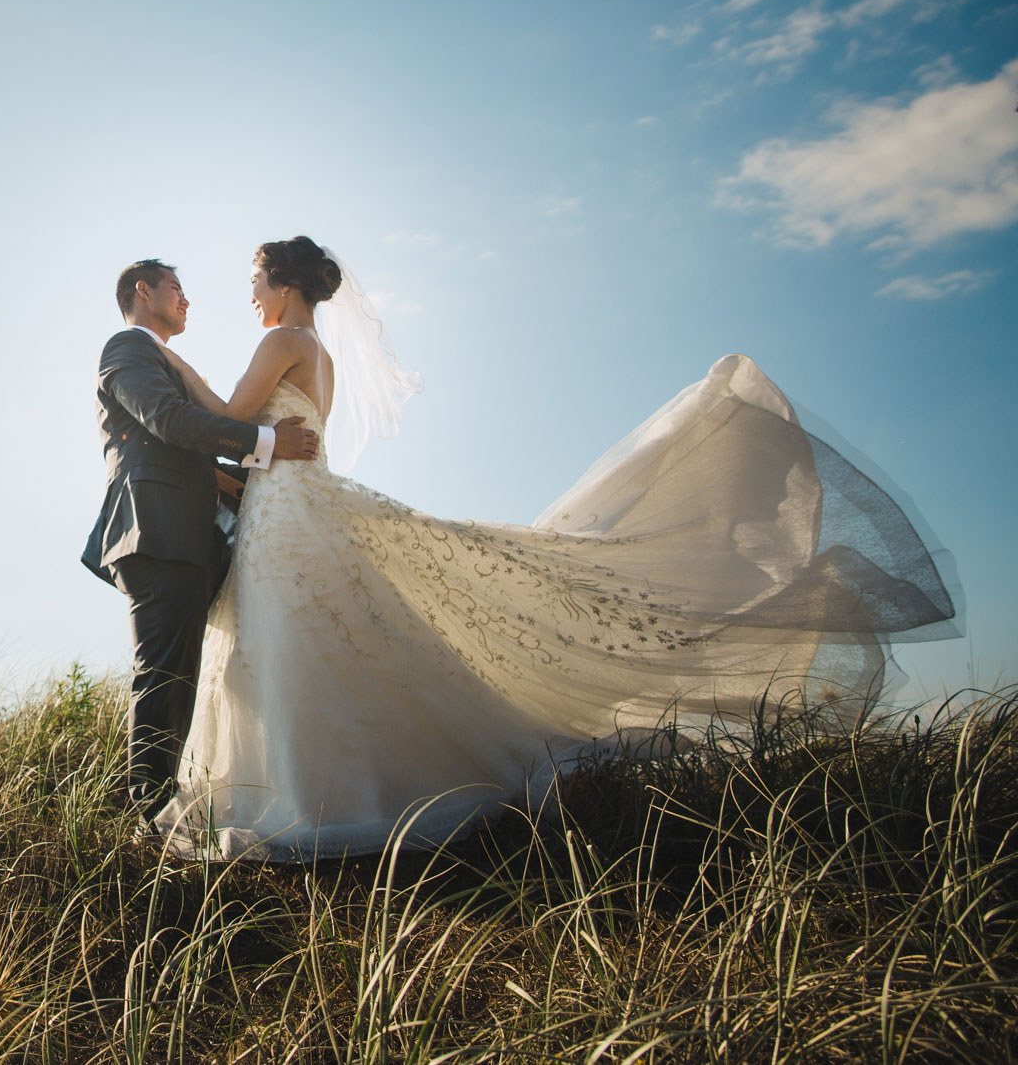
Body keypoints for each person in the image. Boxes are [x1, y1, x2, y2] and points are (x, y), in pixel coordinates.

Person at [150, 236, 963, 861]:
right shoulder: (320, 356)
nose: (248, 289)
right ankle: (334, 788)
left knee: (300, 647)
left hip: (289, 517)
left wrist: (168, 362)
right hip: (293, 507)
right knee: (321, 645)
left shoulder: (281, 341)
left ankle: (315, 800)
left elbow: (231, 414)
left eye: (255, 274)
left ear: (285, 283)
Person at [82, 259, 323, 822]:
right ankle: (147, 818)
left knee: (188, 673)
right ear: (143, 291)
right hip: (156, 530)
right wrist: (265, 442)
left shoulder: (158, 358)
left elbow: (180, 444)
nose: (187, 300)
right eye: (176, 289)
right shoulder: (126, 349)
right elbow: (167, 420)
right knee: (164, 674)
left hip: (188, 534)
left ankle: (176, 807)